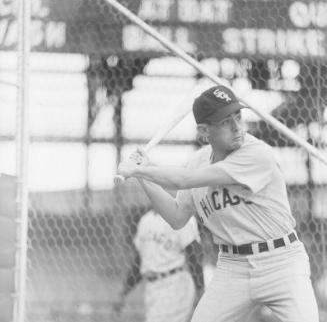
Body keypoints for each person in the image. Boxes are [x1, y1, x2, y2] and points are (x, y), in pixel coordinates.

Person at [117, 84, 319, 322]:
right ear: (204, 131)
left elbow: (184, 180)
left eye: (238, 116)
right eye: (225, 122)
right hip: (233, 267)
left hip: (281, 261)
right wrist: (141, 175)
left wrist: (144, 169)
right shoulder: (199, 161)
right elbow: (176, 216)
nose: (236, 127)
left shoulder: (256, 153)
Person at [113, 208, 204, 322]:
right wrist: (124, 293)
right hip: (152, 288)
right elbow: (139, 263)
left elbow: (194, 256)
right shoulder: (145, 220)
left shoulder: (181, 218)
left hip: (174, 285)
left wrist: (200, 292)